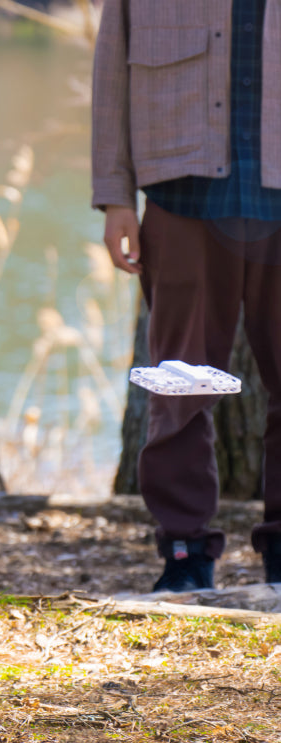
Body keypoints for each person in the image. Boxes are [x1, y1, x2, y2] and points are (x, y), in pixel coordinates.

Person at [91, 1, 281, 591]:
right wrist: (115, 195)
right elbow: (110, 78)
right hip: (181, 196)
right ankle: (184, 553)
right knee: (179, 385)